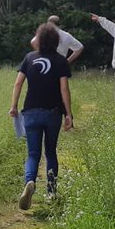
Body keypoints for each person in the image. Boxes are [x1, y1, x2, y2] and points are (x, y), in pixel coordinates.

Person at [9, 23, 74, 209]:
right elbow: (64, 88)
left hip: (30, 111)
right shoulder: (61, 61)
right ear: (56, 41)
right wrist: (69, 114)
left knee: (32, 153)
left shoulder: (29, 58)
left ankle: (29, 182)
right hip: (53, 112)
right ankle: (52, 192)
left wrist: (14, 106)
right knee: (51, 152)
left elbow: (18, 84)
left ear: (38, 40)